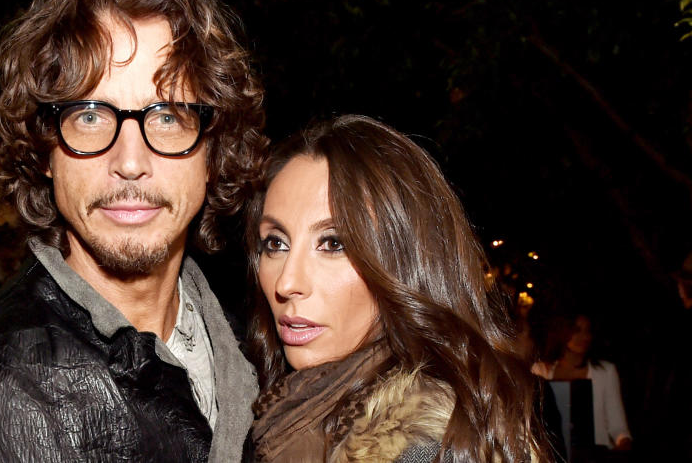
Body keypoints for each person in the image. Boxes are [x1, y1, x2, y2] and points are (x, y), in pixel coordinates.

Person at [0, 0, 265, 462]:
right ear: (44, 151)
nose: (129, 162)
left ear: (214, 150)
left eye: (168, 116)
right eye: (90, 115)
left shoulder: (272, 354)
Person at [246, 115, 550, 462]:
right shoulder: (283, 414)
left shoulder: (429, 447)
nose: (286, 283)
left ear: (403, 261)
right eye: (275, 243)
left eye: (333, 243)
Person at [532, 312, 632, 453]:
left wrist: (623, 444)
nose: (584, 337)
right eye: (577, 330)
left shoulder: (605, 372)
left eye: (587, 331)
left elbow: (617, 424)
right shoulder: (540, 371)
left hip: (592, 456)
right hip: (552, 454)